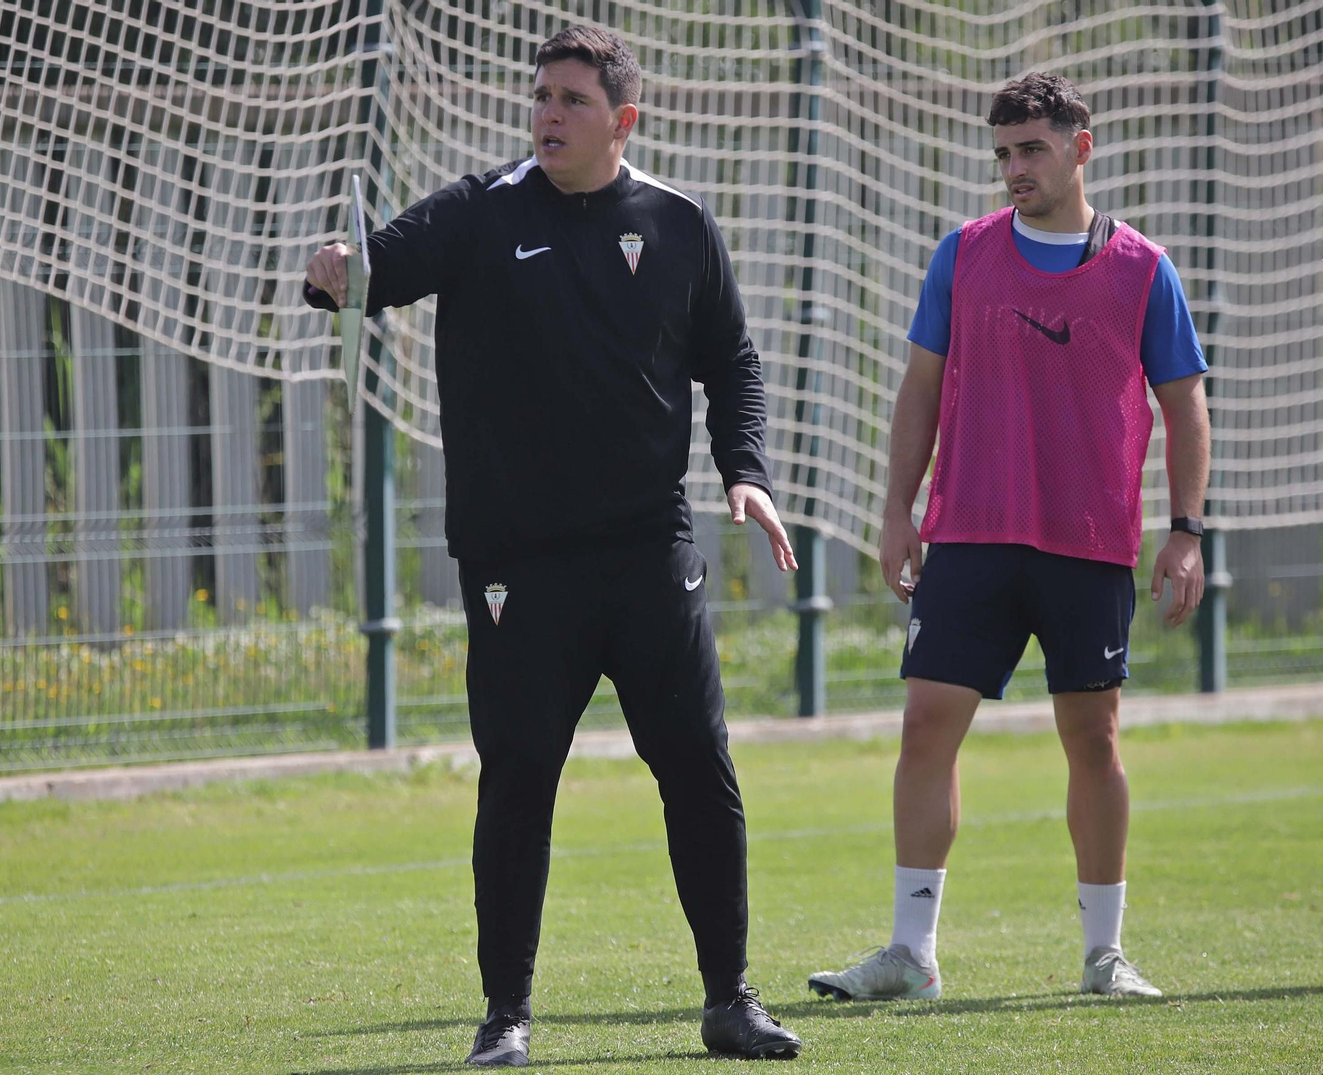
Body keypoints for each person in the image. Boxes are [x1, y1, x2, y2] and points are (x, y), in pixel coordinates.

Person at [304, 25, 802, 1065]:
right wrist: (338, 273)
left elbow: (734, 363)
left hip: (649, 550)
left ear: (622, 119)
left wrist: (743, 471)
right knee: (520, 775)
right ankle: (506, 1018)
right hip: (517, 566)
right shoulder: (479, 211)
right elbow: (379, 269)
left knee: (698, 769)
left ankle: (729, 999)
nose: (547, 114)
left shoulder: (677, 225)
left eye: (572, 99)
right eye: (540, 96)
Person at [807, 72, 1211, 1003]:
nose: (1013, 168)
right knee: (924, 726)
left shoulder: (1144, 268)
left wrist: (1186, 532)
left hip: (1089, 540)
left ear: (1081, 146)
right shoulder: (964, 254)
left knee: (1093, 740)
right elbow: (918, 389)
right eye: (1002, 152)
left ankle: (1104, 955)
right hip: (972, 535)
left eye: (1031, 148)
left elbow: (1185, 404)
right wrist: (897, 510)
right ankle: (911, 952)